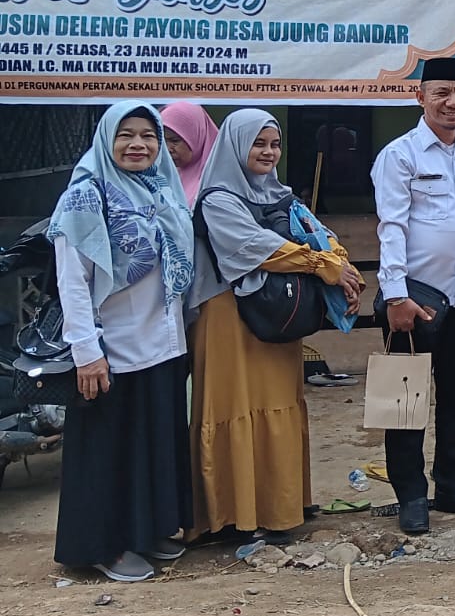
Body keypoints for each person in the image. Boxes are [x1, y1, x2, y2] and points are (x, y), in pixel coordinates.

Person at [190, 110, 361, 541]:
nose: (268, 153)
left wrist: (341, 265)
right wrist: (323, 265)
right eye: (258, 144)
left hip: (276, 318)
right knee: (235, 405)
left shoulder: (282, 195)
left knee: (279, 401)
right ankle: (232, 517)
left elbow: (316, 231)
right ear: (235, 146)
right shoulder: (218, 199)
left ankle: (280, 507)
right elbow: (257, 247)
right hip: (229, 316)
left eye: (274, 144)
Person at [49, 102, 195, 582]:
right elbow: (73, 282)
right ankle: (101, 547)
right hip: (111, 347)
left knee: (151, 444)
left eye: (149, 136)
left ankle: (147, 530)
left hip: (162, 343)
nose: (138, 145)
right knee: (108, 451)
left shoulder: (162, 189)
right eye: (125, 135)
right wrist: (86, 352)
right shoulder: (85, 198)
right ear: (106, 140)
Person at [371, 57, 455, 535]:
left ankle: (453, 483)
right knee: (404, 400)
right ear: (420, 96)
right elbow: (391, 227)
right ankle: (410, 494)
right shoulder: (400, 154)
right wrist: (395, 295)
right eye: (442, 93)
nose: (453, 103)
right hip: (415, 300)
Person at [160, 102, 219, 207]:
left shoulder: (218, 182)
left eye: (174, 140)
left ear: (197, 137)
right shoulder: (161, 177)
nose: (167, 149)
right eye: (162, 141)